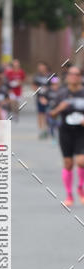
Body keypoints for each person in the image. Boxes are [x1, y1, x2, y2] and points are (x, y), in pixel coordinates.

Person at [49, 65, 84, 207]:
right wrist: (59, 108)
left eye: (76, 74)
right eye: (71, 74)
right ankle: (69, 195)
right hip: (66, 131)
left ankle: (80, 188)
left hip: (81, 131)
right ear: (68, 77)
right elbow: (51, 114)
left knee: (81, 161)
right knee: (68, 163)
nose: (73, 77)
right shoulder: (61, 94)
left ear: (80, 77)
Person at [32, 61, 53, 138]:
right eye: (39, 67)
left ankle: (48, 129)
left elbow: (55, 84)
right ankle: (41, 130)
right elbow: (33, 86)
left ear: (46, 67)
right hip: (40, 97)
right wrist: (39, 92)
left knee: (49, 113)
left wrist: (48, 90)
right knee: (41, 114)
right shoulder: (37, 76)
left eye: (42, 66)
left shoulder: (51, 75)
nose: (41, 68)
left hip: (50, 97)